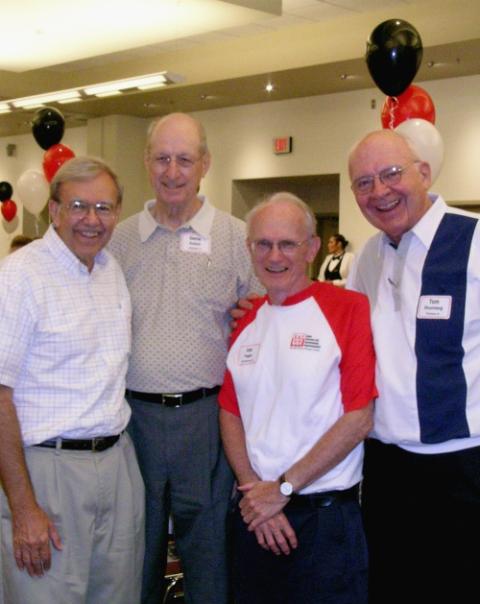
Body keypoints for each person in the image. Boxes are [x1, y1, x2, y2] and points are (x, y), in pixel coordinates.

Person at [109, 112, 260, 604]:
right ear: (146, 162)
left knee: (209, 548)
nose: (172, 172)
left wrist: (251, 319)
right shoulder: (119, 238)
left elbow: (268, 316)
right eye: (162, 159)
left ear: (205, 164)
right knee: (137, 550)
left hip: (207, 418)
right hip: (134, 420)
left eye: (184, 159)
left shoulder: (237, 237)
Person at [219, 192, 377, 604]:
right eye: (263, 244)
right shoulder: (247, 318)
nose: (274, 255)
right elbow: (230, 411)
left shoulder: (348, 309)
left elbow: (359, 417)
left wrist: (283, 490)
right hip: (255, 515)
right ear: (249, 248)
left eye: (287, 243)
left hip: (323, 520)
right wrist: (256, 493)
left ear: (310, 248)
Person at [0, 156, 145, 604]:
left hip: (117, 464)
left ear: (117, 214)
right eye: (78, 205)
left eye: (104, 208)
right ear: (54, 210)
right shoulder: (20, 277)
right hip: (47, 471)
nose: (91, 219)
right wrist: (24, 508)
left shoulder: (110, 271)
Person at [347, 128, 480, 604]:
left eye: (391, 174)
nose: (379, 191)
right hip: (386, 470)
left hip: (464, 467)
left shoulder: (474, 240)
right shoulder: (368, 255)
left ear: (423, 173)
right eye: (363, 183)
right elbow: (340, 336)